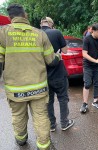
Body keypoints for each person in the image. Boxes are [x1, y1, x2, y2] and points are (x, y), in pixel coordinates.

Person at [0, 4, 61, 150]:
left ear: (10, 18)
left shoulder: (3, 33)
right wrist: (58, 56)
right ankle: (44, 145)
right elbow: (51, 61)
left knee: (19, 116)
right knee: (40, 116)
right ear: (25, 15)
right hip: (38, 88)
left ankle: (21, 140)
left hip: (15, 89)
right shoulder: (40, 34)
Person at [40, 17, 74, 132]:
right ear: (50, 24)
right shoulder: (56, 32)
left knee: (49, 101)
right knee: (63, 98)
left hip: (43, 75)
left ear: (41, 24)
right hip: (58, 73)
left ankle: (52, 125)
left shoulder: (35, 34)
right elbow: (65, 51)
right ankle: (64, 123)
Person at [80, 23, 98, 113]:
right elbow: (84, 54)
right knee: (87, 83)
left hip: (97, 66)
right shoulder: (87, 39)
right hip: (88, 65)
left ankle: (95, 101)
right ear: (93, 31)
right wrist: (95, 60)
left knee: (97, 83)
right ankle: (84, 104)